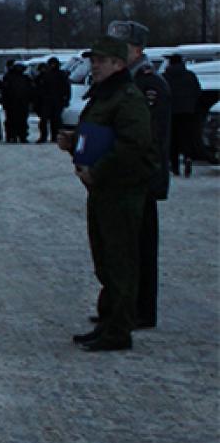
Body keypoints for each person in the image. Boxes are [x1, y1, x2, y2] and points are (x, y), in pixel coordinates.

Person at [61, 35, 159, 351]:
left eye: (101, 61)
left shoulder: (127, 97)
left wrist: (98, 171)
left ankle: (119, 329)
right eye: (93, 61)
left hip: (121, 190)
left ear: (118, 64)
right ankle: (108, 321)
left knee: (120, 260)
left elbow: (133, 144)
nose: (95, 67)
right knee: (105, 259)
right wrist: (74, 142)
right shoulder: (105, 96)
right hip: (104, 190)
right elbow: (100, 136)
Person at [107, 21, 170, 329]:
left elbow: (150, 135)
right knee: (126, 244)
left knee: (142, 245)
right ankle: (126, 305)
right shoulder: (129, 83)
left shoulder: (149, 85)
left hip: (144, 176)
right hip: (130, 177)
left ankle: (142, 309)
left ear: (138, 49)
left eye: (124, 48)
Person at [162, 54, 202, 177]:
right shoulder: (190, 75)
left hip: (171, 111)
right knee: (186, 136)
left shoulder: (165, 77)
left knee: (172, 138)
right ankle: (188, 156)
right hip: (188, 111)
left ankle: (174, 165)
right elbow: (197, 91)